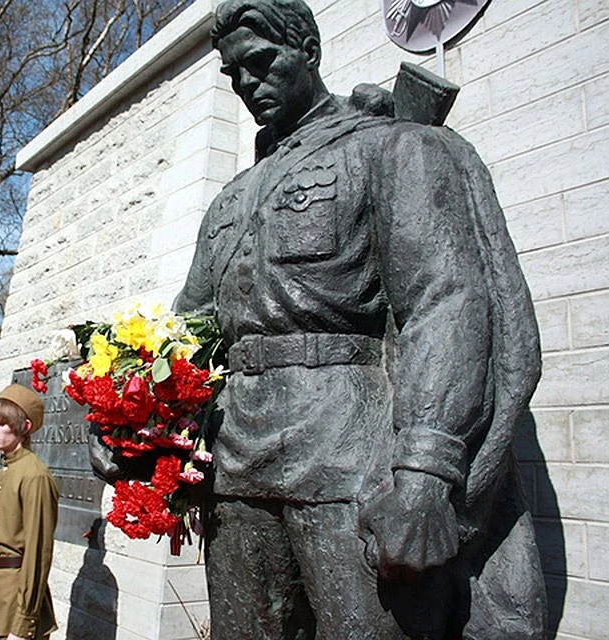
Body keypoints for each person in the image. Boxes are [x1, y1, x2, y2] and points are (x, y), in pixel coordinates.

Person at [163, 1, 546, 638]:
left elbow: (444, 305)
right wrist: (142, 425)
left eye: (262, 63)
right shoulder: (232, 199)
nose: (248, 84)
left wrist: (426, 471)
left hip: (349, 461)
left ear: (308, 51)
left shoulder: (393, 148)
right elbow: (189, 330)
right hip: (235, 464)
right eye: (235, 74)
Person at [0, 385, 58, 640]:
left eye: (2, 423)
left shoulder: (34, 475)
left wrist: (24, 623)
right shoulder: (7, 468)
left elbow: (37, 552)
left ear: (24, 427)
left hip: (17, 602)